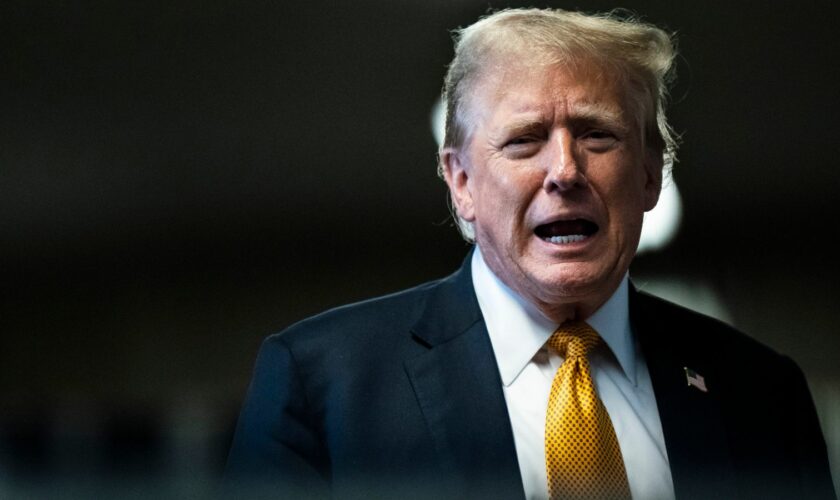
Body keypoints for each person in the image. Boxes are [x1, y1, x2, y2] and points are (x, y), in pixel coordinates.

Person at [225, 8, 835, 500]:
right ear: (460, 181)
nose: (565, 170)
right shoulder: (321, 383)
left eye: (598, 134)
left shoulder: (762, 393)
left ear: (650, 174)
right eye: (524, 140)